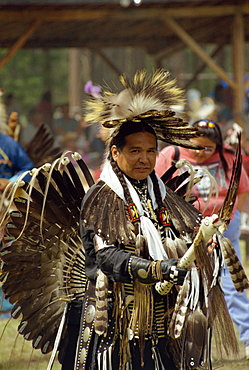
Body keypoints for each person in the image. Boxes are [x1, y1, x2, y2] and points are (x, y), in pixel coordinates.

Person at [0, 71, 240, 370]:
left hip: (158, 322)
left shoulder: (164, 196)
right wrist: (159, 268)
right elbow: (107, 258)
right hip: (108, 322)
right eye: (135, 151)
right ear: (116, 152)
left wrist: (206, 244)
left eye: (151, 151)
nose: (145, 159)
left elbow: (185, 235)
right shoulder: (101, 198)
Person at [155, 118, 249, 360]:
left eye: (207, 148)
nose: (200, 152)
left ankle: (248, 337)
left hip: (222, 227)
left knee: (230, 283)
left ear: (216, 146)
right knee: (187, 281)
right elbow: (156, 190)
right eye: (195, 146)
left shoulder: (227, 157)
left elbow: (241, 190)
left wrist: (226, 220)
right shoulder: (171, 154)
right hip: (183, 229)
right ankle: (184, 342)